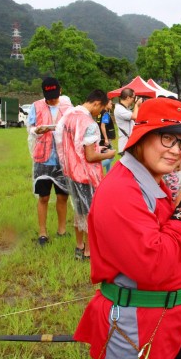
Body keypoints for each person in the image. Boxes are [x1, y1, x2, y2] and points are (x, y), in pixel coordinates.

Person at [74, 97, 181, 359]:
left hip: (162, 325)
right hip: (137, 334)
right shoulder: (122, 191)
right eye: (167, 138)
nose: (177, 150)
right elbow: (154, 265)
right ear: (141, 137)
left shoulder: (148, 181)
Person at [55, 90, 116, 260]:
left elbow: (71, 145)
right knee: (91, 213)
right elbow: (90, 156)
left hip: (71, 172)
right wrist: (108, 155)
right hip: (86, 176)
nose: (100, 112)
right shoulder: (88, 123)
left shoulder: (69, 116)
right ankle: (89, 251)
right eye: (102, 109)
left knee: (78, 210)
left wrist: (97, 149)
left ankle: (79, 246)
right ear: (96, 103)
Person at [27, 77, 73, 245]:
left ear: (60, 91)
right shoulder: (36, 106)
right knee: (44, 197)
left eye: (54, 95)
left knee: (63, 197)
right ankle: (43, 232)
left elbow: (74, 128)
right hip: (43, 159)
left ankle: (62, 230)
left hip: (62, 159)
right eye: (49, 96)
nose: (52, 99)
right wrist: (37, 130)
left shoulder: (68, 108)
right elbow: (30, 127)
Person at [114, 88, 142, 156]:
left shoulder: (125, 109)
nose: (134, 100)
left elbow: (136, 118)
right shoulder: (119, 109)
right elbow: (134, 116)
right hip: (125, 145)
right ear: (128, 98)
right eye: (133, 97)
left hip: (129, 143)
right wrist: (136, 105)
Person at [97, 99, 116, 173]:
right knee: (111, 156)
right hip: (105, 139)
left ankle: (108, 174)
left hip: (100, 138)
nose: (111, 105)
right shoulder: (105, 114)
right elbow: (102, 126)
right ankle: (98, 167)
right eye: (110, 103)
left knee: (107, 155)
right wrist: (106, 139)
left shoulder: (100, 113)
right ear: (106, 104)